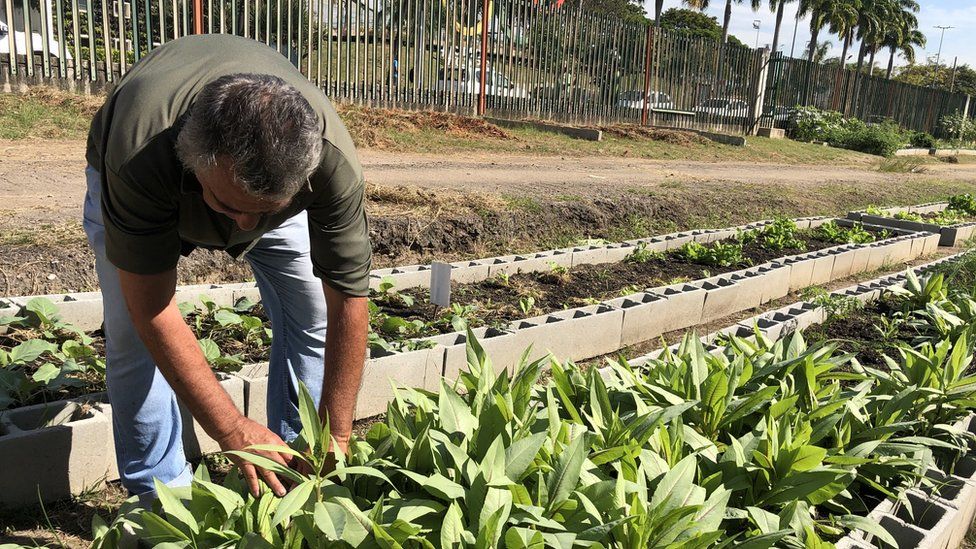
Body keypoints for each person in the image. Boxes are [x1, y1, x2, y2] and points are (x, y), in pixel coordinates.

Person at [83, 34, 371, 500]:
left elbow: (349, 300)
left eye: (265, 210)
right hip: (148, 178)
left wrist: (337, 435)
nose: (247, 225)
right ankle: (161, 494)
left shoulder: (331, 164)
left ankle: (297, 463)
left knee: (311, 309)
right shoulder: (140, 156)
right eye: (231, 206)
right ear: (195, 163)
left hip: (255, 183)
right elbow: (151, 310)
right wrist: (231, 427)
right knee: (129, 333)